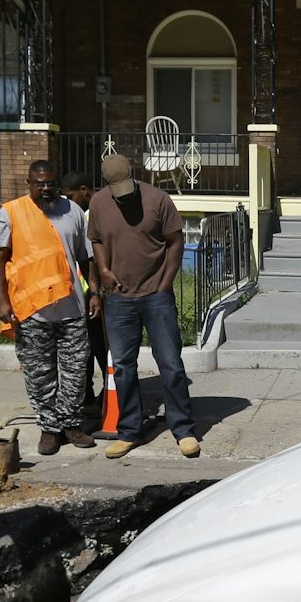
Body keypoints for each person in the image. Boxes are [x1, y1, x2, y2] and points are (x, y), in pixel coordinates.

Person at [89, 152, 198, 459]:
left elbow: (175, 242)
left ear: (133, 175)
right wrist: (105, 269)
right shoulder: (98, 203)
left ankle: (184, 430)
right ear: (107, 184)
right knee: (123, 368)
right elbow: (95, 239)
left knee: (171, 364)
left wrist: (164, 286)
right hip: (120, 300)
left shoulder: (158, 199)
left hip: (156, 296)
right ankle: (130, 431)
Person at [0, 160, 100, 456]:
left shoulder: (73, 210)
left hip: (72, 307)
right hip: (31, 310)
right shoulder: (10, 213)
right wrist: (2, 301)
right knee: (40, 374)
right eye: (40, 183)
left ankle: (71, 424)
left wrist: (94, 292)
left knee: (76, 372)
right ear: (29, 183)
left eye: (50, 182)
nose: (46, 188)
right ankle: (49, 429)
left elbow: (86, 256)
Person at [61, 168, 110, 423]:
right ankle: (89, 396)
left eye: (70, 196)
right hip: (81, 294)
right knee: (86, 349)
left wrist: (97, 291)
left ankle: (109, 396)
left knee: (101, 346)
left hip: (97, 293)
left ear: (83, 191)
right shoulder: (77, 214)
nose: (68, 201)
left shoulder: (90, 215)